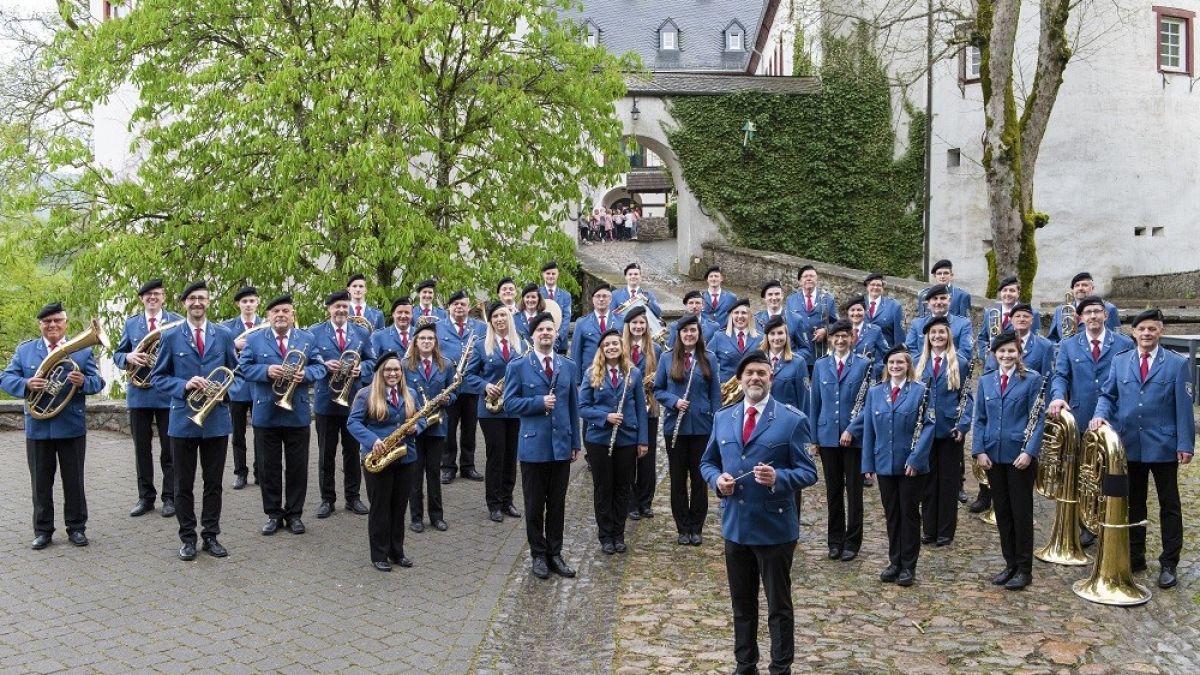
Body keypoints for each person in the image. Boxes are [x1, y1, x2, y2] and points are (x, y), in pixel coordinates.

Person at [700, 350, 818, 675]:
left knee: (778, 606)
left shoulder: (791, 420)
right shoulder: (724, 417)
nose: (755, 378)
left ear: (771, 378)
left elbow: (809, 472)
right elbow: (707, 462)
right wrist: (716, 479)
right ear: (740, 379)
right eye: (749, 373)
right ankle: (745, 664)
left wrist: (780, 478)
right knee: (742, 605)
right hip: (736, 527)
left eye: (761, 373)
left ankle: (780, 667)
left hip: (775, 529)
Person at [1090, 308, 1195, 589]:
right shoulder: (1121, 362)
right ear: (1133, 333)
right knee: (1134, 503)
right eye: (1142, 329)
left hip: (1163, 445)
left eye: (1152, 329)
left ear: (1160, 332)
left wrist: (1185, 444)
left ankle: (1169, 562)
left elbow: (1184, 408)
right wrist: (1100, 414)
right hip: (1129, 445)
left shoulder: (1175, 364)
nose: (1147, 334)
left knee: (1168, 505)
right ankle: (1135, 556)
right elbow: (1108, 395)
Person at [1, 302, 106, 550]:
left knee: (74, 481)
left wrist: (83, 382)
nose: (53, 325)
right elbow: (5, 377)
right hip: (38, 429)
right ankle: (43, 530)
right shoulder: (25, 350)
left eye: (57, 320)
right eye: (47, 322)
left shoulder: (81, 352)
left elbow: (98, 382)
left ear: (65, 323)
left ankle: (77, 528)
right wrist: (27, 384)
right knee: (40, 483)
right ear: (41, 325)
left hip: (70, 426)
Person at [149, 280, 239, 560]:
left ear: (208, 302)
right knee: (183, 484)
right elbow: (158, 378)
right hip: (183, 421)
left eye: (202, 298)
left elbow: (237, 374)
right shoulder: (171, 337)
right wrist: (185, 385)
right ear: (184, 304)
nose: (197, 303)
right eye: (192, 299)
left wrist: (221, 391)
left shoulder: (223, 335)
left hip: (215, 422)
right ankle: (187, 538)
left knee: (213, 483)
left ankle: (210, 536)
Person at [1047, 295, 1134, 547]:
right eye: (1088, 313)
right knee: (1084, 474)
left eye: (1098, 312)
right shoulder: (1068, 345)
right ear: (1080, 318)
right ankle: (1086, 522)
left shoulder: (1124, 343)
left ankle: (1111, 521)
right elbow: (1060, 376)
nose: (1093, 316)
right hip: (1081, 416)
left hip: (1114, 417)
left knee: (1111, 473)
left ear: (1106, 315)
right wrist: (1057, 398)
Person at [502, 311, 581, 580]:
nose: (546, 334)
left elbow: (573, 406)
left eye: (550, 330)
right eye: (541, 330)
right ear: (532, 335)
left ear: (556, 334)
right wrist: (537, 402)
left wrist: (575, 442)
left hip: (561, 446)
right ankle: (537, 554)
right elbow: (509, 404)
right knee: (535, 505)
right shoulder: (518, 366)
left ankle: (555, 553)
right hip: (533, 448)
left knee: (557, 504)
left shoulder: (567, 366)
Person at [238, 294, 326, 536]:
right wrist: (267, 370)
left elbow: (319, 367)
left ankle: (295, 514)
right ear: (268, 316)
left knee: (298, 467)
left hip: (296, 412)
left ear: (292, 315)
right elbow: (243, 368)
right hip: (266, 412)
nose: (280, 315)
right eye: (275, 311)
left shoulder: (307, 338)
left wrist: (305, 375)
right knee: (269, 468)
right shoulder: (254, 340)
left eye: (285, 311)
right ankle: (273, 514)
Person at [972, 331, 1044, 590]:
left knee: (1021, 513)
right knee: (1002, 512)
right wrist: (979, 450)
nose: (1006, 355)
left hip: (1019, 457)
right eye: (1001, 351)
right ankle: (1009, 563)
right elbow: (979, 418)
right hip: (993, 455)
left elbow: (1037, 420)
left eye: (1011, 351)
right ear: (994, 354)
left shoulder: (1031, 380)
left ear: (1019, 353)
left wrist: (1029, 452)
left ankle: (1024, 569)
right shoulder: (987, 380)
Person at [862, 345, 935, 587]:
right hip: (884, 462)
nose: (895, 367)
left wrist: (916, 458)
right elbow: (870, 430)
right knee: (892, 514)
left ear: (908, 366)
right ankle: (894, 561)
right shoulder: (874, 392)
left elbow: (928, 426)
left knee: (909, 514)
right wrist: (868, 463)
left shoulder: (921, 391)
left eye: (900, 363)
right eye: (891, 363)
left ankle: (908, 565)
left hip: (910, 465)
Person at [112, 279, 183, 518]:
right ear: (141, 298)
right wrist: (129, 357)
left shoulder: (176, 321)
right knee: (141, 449)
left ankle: (170, 497)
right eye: (147, 295)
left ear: (164, 297)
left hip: (166, 395)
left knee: (169, 450)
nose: (152, 298)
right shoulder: (132, 323)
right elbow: (118, 354)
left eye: (157, 294)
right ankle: (146, 497)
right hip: (139, 395)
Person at [347, 352, 422, 571]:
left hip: (405, 456)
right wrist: (373, 440)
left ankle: (397, 552)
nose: (392, 373)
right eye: (388, 370)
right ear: (380, 372)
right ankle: (379, 554)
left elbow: (421, 417)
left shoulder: (411, 394)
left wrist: (418, 426)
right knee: (380, 508)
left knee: (399, 507)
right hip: (378, 457)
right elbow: (353, 423)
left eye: (396, 369)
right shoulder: (365, 394)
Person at [655, 315, 722, 546]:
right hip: (676, 426)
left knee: (699, 479)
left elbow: (715, 395)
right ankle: (682, 527)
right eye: (685, 331)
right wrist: (674, 401)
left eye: (693, 331)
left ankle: (697, 526)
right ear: (679, 334)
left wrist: (717, 424)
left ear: (698, 333)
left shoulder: (709, 359)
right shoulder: (666, 358)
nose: (689, 335)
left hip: (702, 427)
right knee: (677, 479)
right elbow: (658, 390)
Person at [579, 329, 648, 554]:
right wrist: (604, 417)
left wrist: (643, 440)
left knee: (622, 489)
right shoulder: (592, 373)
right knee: (603, 488)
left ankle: (619, 534)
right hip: (599, 440)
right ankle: (605, 535)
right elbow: (582, 408)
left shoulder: (633, 373)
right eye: (607, 344)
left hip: (627, 438)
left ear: (621, 347)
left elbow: (640, 408)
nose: (611, 347)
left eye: (615, 344)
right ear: (601, 349)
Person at [809, 320, 872, 561]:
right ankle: (834, 541)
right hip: (827, 437)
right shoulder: (821, 365)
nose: (840, 341)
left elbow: (869, 403)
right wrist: (814, 438)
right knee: (833, 491)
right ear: (830, 340)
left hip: (853, 440)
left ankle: (852, 542)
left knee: (854, 493)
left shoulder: (864, 365)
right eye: (836, 337)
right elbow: (815, 403)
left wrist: (853, 430)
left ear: (852, 338)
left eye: (845, 336)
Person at [310, 290, 375, 519]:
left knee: (352, 452)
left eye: (344, 306)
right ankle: (327, 500)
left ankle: (353, 497)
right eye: (336, 306)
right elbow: (310, 358)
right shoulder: (315, 332)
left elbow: (372, 361)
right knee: (326, 454)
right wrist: (324, 364)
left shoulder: (360, 332)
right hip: (326, 401)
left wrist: (362, 369)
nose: (340, 310)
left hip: (352, 402)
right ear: (329, 308)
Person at [914, 317, 972, 547]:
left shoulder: (961, 362)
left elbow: (967, 397)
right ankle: (929, 529)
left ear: (949, 336)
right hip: (925, 431)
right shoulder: (918, 362)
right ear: (927, 337)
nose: (937, 336)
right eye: (933, 333)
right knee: (927, 482)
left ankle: (946, 531)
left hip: (950, 430)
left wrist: (963, 425)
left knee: (948, 482)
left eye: (942, 332)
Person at [466, 302, 524, 522]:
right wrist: (484, 385)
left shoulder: (522, 344)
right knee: (496, 455)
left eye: (504, 315)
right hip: (491, 410)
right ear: (490, 321)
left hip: (515, 408)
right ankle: (494, 504)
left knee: (511, 456)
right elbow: (469, 375)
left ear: (510, 317)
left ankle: (508, 500)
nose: (500, 319)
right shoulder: (482, 346)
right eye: (496, 316)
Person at [406, 323, 455, 532]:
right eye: (422, 338)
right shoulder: (404, 364)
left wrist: (448, 398)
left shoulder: (445, 364)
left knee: (434, 473)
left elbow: (455, 393)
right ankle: (416, 518)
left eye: (430, 339)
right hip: (414, 427)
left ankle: (437, 516)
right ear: (416, 342)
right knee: (415, 474)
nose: (426, 342)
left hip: (437, 426)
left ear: (435, 343)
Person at [436, 289, 485, 484]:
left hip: (472, 386)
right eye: (455, 304)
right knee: (448, 428)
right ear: (449, 307)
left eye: (463, 304)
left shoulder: (480, 328)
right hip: (449, 386)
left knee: (470, 428)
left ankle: (468, 465)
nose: (459, 307)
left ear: (468, 306)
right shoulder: (438, 327)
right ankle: (447, 467)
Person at [220, 285, 262, 489]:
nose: (248, 305)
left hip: (260, 386)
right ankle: (240, 472)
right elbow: (220, 354)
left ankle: (259, 471)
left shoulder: (266, 324)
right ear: (238, 304)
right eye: (244, 301)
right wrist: (234, 346)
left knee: (261, 430)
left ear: (257, 303)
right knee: (238, 433)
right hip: (237, 386)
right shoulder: (228, 328)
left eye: (252, 301)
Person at [623, 306, 662, 521]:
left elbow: (664, 378)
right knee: (628, 457)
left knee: (647, 457)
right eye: (634, 323)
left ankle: (646, 502)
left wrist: (656, 382)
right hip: (627, 410)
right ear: (628, 326)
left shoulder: (656, 349)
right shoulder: (619, 349)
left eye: (642, 323)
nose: (638, 326)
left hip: (650, 409)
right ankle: (631, 502)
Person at [905, 284, 974, 361]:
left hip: (952, 369)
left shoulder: (963, 324)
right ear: (928, 304)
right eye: (935, 299)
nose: (938, 302)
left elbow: (965, 352)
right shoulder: (917, 324)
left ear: (950, 301)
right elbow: (910, 349)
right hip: (922, 369)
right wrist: (928, 365)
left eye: (943, 298)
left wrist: (941, 364)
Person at [1046, 272, 1121, 342]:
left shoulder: (1109, 309)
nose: (1080, 288)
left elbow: (1115, 339)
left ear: (1092, 288)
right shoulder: (1060, 310)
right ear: (1073, 289)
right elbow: (1052, 338)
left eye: (1085, 285)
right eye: (1077, 285)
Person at [786, 265, 837, 359]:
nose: (809, 278)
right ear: (800, 282)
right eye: (805, 276)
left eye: (812, 276)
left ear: (817, 279)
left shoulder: (828, 299)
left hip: (820, 352)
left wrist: (826, 331)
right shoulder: (791, 299)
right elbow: (788, 325)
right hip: (798, 353)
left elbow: (836, 323)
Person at [977, 277, 1040, 349]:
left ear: (1018, 293)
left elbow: (1034, 342)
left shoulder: (1032, 314)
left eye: (1012, 291)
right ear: (1000, 293)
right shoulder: (990, 313)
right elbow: (982, 339)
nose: (1008, 294)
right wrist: (987, 355)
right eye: (1004, 290)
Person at [754, 280, 810, 361]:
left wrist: (789, 358)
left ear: (782, 296)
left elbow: (805, 350)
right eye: (770, 294)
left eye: (777, 294)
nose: (774, 298)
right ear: (764, 298)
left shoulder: (795, 319)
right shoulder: (756, 319)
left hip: (787, 366)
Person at [571, 284, 623, 371]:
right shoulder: (582, 323)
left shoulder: (620, 322)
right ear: (593, 300)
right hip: (590, 373)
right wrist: (577, 382)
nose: (601, 299)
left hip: (614, 372)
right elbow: (576, 353)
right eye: (598, 296)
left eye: (604, 296)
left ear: (610, 299)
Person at [710, 299, 760, 379]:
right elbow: (706, 361)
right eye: (736, 313)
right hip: (726, 389)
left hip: (753, 386)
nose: (740, 316)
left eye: (744, 313)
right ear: (731, 316)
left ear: (750, 316)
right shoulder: (719, 337)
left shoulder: (761, 338)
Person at [841, 295, 888, 377]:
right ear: (847, 312)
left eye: (859, 310)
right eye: (852, 310)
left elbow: (888, 354)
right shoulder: (840, 330)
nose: (856, 313)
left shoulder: (875, 331)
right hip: (843, 376)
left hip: (865, 379)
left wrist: (874, 369)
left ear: (865, 311)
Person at [862, 273, 905, 349]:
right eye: (872, 284)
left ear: (883, 288)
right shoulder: (858, 304)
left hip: (885, 355)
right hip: (860, 356)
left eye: (879, 285)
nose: (875, 287)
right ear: (867, 286)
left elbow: (899, 336)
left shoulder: (894, 306)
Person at [539, 261, 572, 353]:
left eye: (553, 273)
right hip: (540, 340)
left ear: (558, 275)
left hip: (560, 342)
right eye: (548, 273)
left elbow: (567, 317)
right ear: (543, 275)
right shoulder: (537, 294)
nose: (551, 276)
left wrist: (558, 334)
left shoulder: (566, 295)